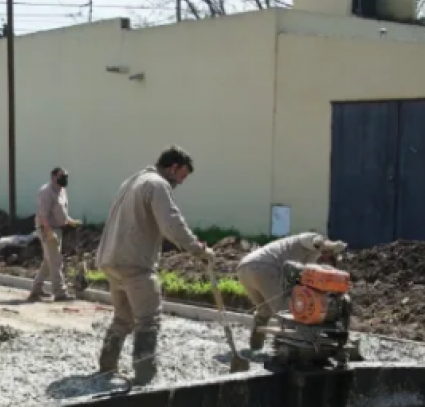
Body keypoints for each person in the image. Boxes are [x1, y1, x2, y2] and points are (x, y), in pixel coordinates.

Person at [95, 146, 210, 385]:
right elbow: (171, 223)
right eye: (182, 176)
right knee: (149, 319)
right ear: (173, 167)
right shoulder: (158, 184)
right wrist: (198, 250)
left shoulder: (133, 181)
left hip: (111, 261)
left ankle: (107, 366)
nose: (181, 182)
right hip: (135, 263)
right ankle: (144, 374)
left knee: (123, 318)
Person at [235, 233, 348, 351]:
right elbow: (316, 241)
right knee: (286, 311)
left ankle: (255, 346)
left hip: (244, 269)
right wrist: (330, 245)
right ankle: (284, 349)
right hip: (265, 267)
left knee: (265, 310)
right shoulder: (309, 239)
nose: (327, 259)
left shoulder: (311, 258)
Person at [29, 166, 81, 302]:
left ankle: (36, 289)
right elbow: (43, 214)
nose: (65, 178)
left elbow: (61, 211)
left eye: (66, 176)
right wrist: (48, 231)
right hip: (47, 228)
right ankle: (60, 292)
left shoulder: (62, 191)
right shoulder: (46, 192)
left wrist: (70, 221)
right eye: (61, 176)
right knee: (56, 261)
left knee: (49, 261)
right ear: (53, 177)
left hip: (58, 228)